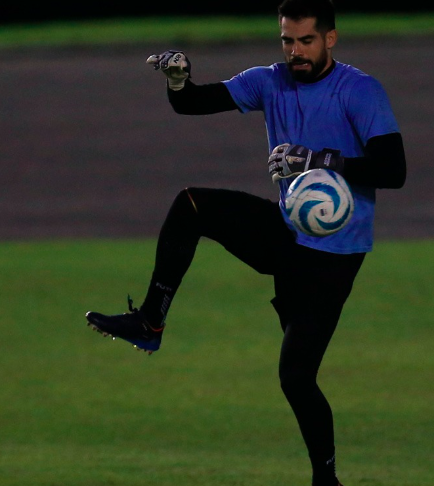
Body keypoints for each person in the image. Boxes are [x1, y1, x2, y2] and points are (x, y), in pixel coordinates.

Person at [85, 1, 406, 485]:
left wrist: (317, 160)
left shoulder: (360, 91)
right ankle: (150, 320)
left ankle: (326, 479)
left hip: (335, 258)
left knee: (296, 379)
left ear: (330, 39)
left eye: (306, 41)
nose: (295, 52)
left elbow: (393, 170)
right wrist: (178, 81)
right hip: (286, 232)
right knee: (191, 204)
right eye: (287, 41)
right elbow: (193, 102)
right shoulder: (269, 80)